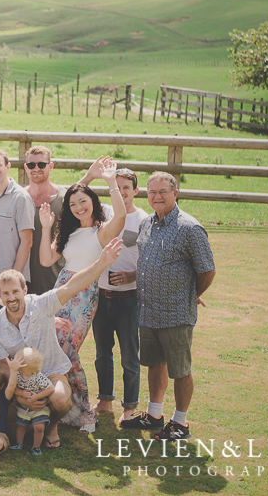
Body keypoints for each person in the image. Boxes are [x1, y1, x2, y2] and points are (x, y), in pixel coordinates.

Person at [0, 241, 123, 450]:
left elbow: (72, 285)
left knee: (59, 398)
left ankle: (52, 426)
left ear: (24, 289)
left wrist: (102, 262)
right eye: (5, 294)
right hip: (19, 379)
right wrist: (19, 392)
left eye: (15, 291)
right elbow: (2, 364)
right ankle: (30, 420)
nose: (11, 298)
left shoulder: (41, 304)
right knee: (12, 433)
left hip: (51, 371)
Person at [122, 171, 215, 442]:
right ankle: (154, 415)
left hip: (176, 312)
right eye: (152, 191)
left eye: (163, 191)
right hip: (148, 310)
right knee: (154, 364)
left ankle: (181, 423)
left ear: (175, 193)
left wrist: (190, 293)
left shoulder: (190, 228)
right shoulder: (147, 223)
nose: (157, 196)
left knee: (180, 369)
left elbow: (207, 270)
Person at [38, 157, 126, 432]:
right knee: (52, 345)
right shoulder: (68, 232)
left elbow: (121, 217)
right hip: (61, 290)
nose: (78, 207)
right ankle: (58, 405)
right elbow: (45, 259)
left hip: (85, 295)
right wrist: (45, 227)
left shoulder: (102, 232)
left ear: (93, 202)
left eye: (82, 202)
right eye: (73, 204)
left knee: (68, 350)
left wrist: (109, 180)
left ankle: (83, 413)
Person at [79, 166, 148, 423]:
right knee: (101, 353)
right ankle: (105, 401)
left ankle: (130, 407)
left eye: (126, 188)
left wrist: (132, 276)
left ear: (135, 191)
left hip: (129, 298)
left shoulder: (143, 219)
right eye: (116, 187)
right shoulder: (104, 215)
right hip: (102, 295)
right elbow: (76, 197)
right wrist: (91, 174)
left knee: (130, 355)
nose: (121, 192)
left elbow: (151, 261)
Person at [0, 148, 35, 283]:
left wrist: (13, 277)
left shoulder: (21, 198)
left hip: (12, 280)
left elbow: (27, 242)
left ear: (7, 167)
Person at [24, 145, 67, 294]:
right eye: (31, 165)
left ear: (51, 166)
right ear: (25, 168)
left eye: (41, 164)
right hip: (24, 284)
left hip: (56, 282)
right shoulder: (18, 199)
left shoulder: (64, 199)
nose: (36, 168)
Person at [10, 347, 54, 454]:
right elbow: (12, 388)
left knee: (39, 427)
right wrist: (20, 393)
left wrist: (37, 396)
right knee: (20, 426)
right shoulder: (16, 375)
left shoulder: (38, 377)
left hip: (39, 407)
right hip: (23, 407)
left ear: (24, 369)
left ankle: (36, 447)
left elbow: (50, 388)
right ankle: (19, 444)